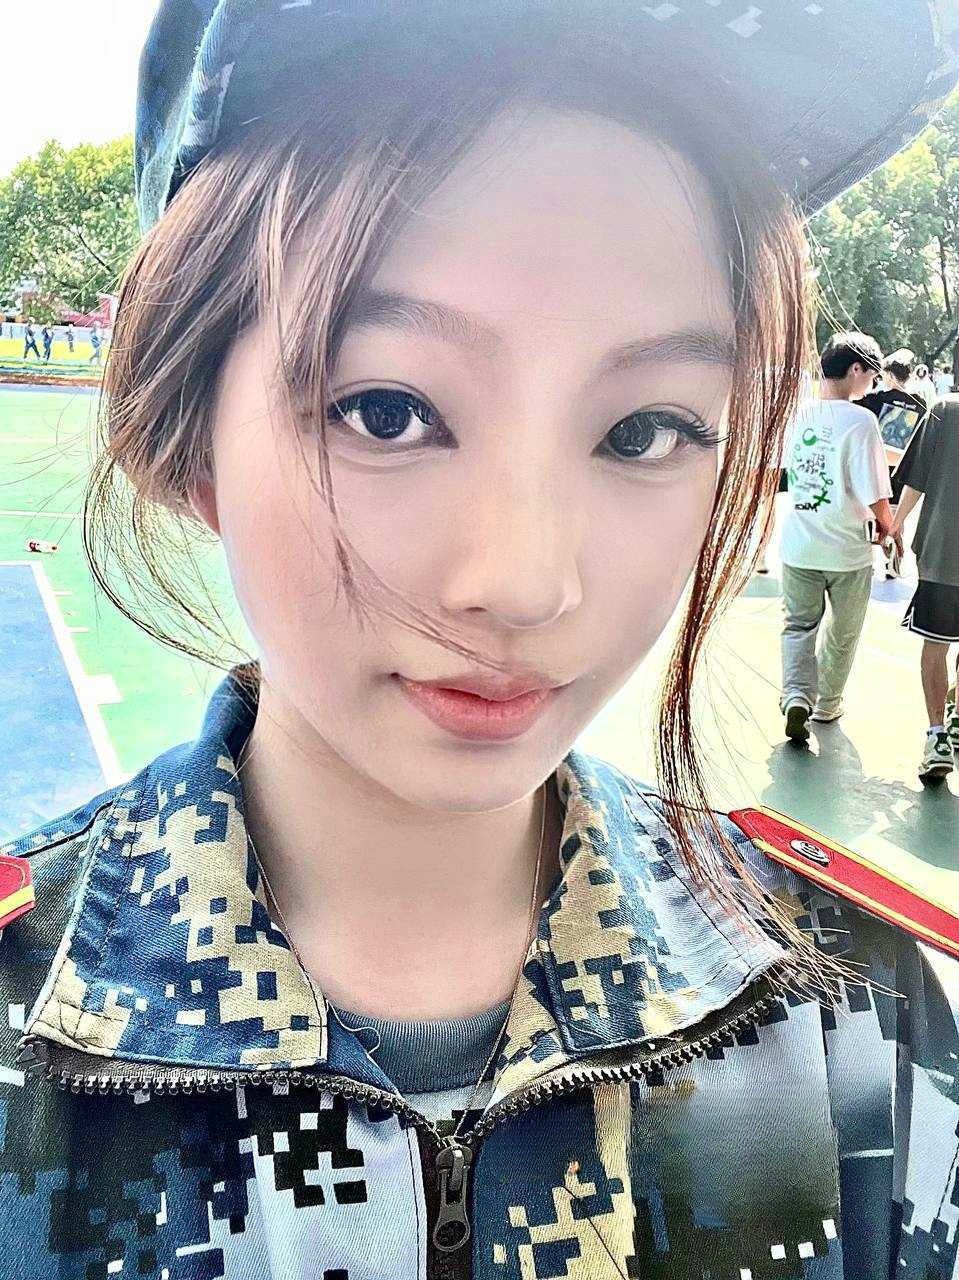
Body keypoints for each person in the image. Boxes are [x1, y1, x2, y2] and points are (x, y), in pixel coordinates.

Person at [1, 4, 957, 1278]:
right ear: (188, 432)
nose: (523, 582)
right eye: (386, 408)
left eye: (643, 431)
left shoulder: (848, 1011)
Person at [778, 333, 900, 738]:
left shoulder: (798, 414)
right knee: (842, 632)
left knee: (799, 627)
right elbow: (875, 491)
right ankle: (827, 704)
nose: (873, 383)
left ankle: (796, 696)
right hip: (847, 551)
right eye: (872, 374)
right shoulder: (861, 420)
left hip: (799, 546)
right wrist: (889, 528)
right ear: (855, 369)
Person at [891, 393, 959, 781]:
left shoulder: (945, 410)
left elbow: (916, 479)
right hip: (942, 552)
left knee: (936, 644)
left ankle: (937, 735)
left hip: (943, 551)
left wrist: (895, 524)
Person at [856, 347, 929, 578]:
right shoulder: (920, 403)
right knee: (897, 516)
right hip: (903, 469)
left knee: (871, 513)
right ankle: (893, 561)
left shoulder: (874, 399)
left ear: (888, 374)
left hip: (875, 465)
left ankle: (868, 559)